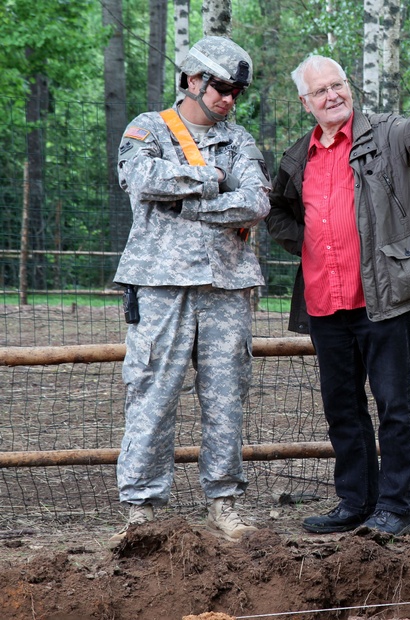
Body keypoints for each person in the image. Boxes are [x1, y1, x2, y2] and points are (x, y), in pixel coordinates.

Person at [266, 55, 410, 537]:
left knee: (393, 404)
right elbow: (277, 211)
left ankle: (395, 507)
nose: (332, 95)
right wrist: (304, 242)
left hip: (381, 299)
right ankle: (356, 501)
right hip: (324, 301)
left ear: (349, 87)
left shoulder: (384, 134)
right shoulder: (297, 156)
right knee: (342, 407)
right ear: (305, 103)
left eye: (338, 85)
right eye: (320, 91)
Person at [110, 36, 271, 543]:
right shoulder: (148, 128)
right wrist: (212, 177)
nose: (229, 99)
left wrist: (190, 203)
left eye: (236, 92)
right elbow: (141, 178)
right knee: (152, 392)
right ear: (191, 80)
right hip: (160, 285)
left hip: (227, 286)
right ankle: (141, 510)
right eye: (222, 87)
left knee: (226, 397)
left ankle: (223, 502)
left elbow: (256, 202)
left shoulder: (238, 138)